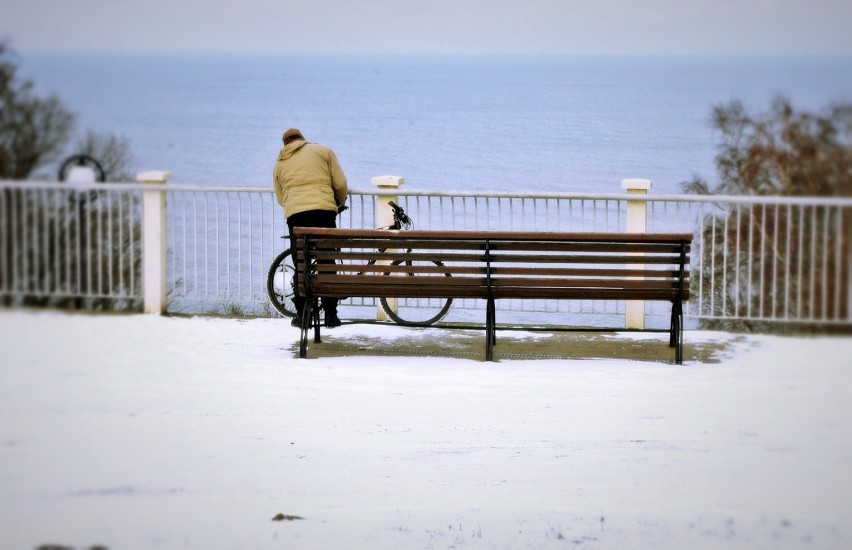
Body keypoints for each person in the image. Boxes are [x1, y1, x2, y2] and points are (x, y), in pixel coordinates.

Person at [273, 128, 348, 328]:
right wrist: (339, 202)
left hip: (296, 215)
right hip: (324, 211)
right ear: (302, 140)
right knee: (327, 262)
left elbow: (281, 197)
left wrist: (294, 207)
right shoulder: (323, 151)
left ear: (285, 144)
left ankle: (302, 314)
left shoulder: (280, 164)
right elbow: (340, 183)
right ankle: (331, 314)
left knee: (301, 264)